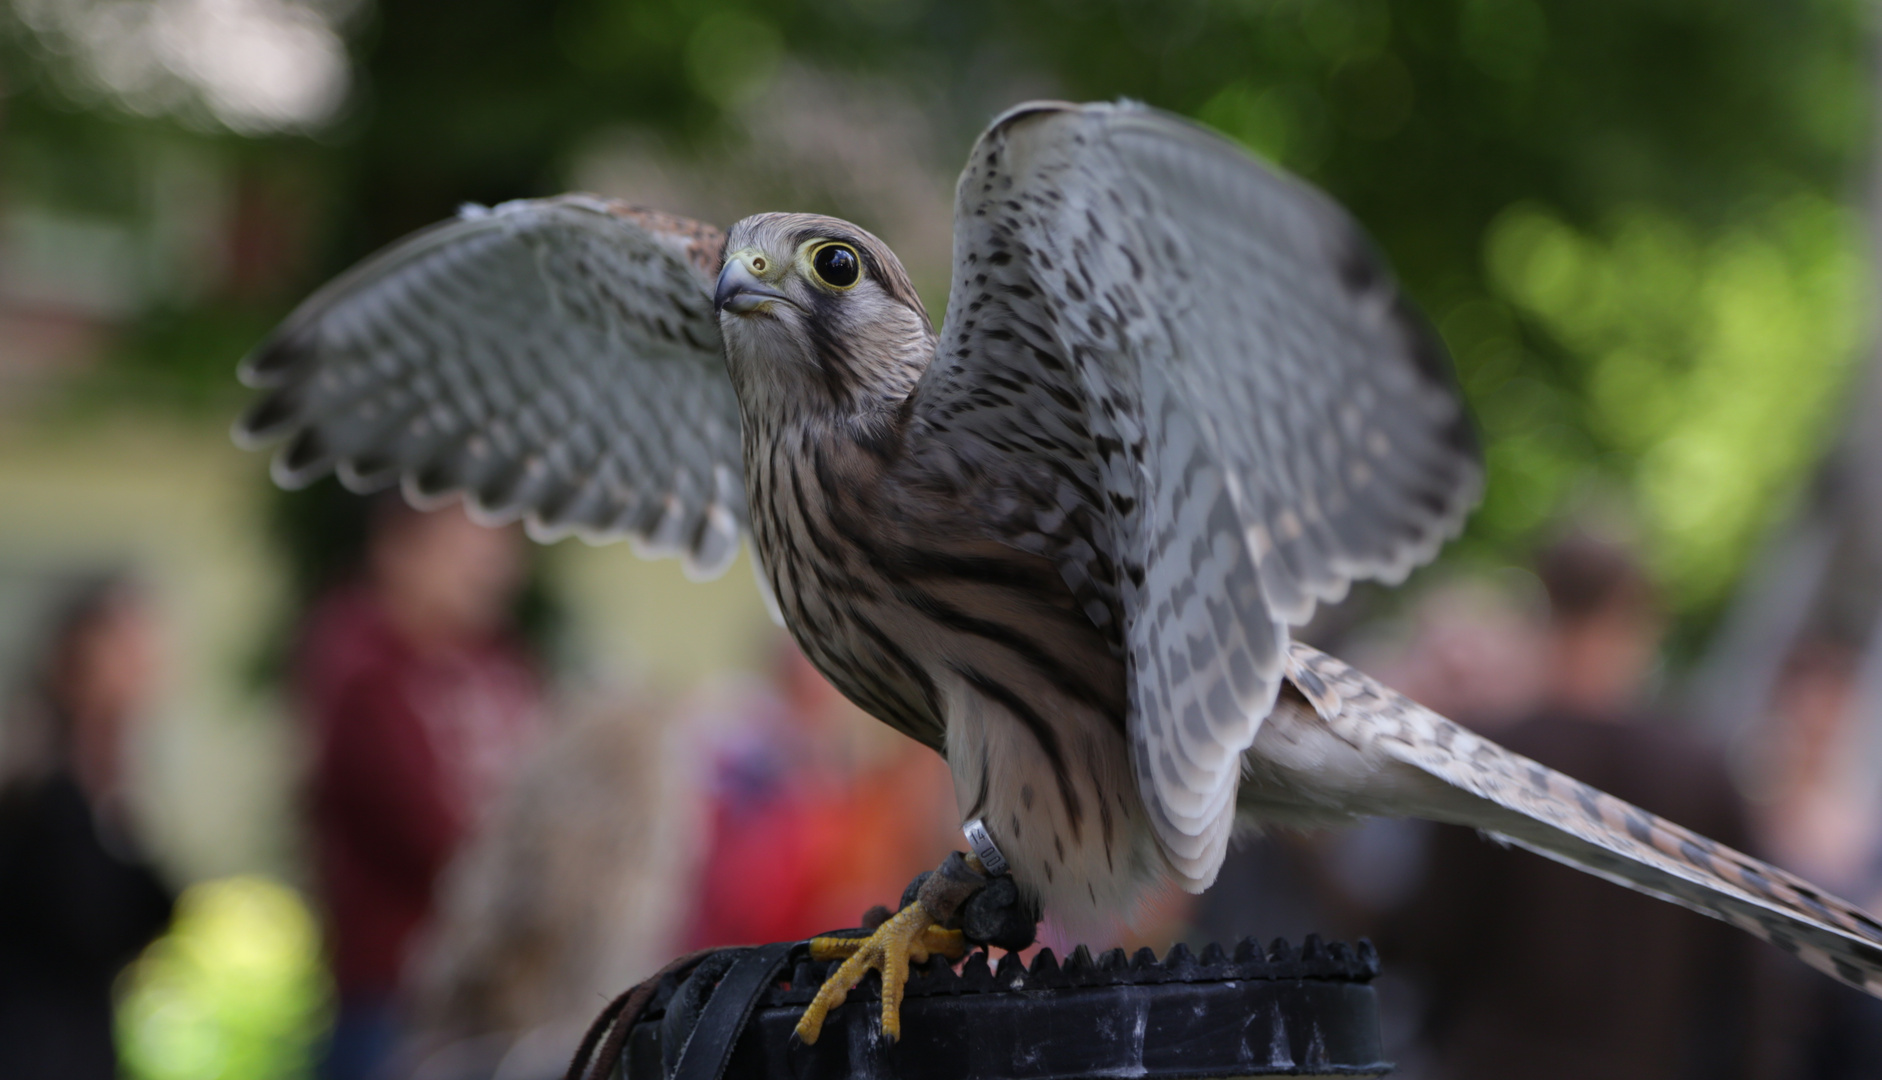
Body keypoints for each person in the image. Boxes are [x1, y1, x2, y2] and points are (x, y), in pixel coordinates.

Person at [1386, 532, 1778, 1080]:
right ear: (1640, 610)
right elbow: (1750, 977)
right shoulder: (1700, 772)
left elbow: (1431, 939)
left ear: (1544, 603)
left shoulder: (1488, 759)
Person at [294, 500, 544, 1080]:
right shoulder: (361, 664)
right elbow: (428, 831)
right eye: (468, 554)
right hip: (398, 996)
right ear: (398, 552)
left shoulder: (501, 666)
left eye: (500, 555)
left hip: (497, 998)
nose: (494, 574)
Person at [0, 577, 175, 1080]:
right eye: (126, 646)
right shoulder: (40, 788)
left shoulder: (113, 783)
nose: (145, 665)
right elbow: (84, 921)